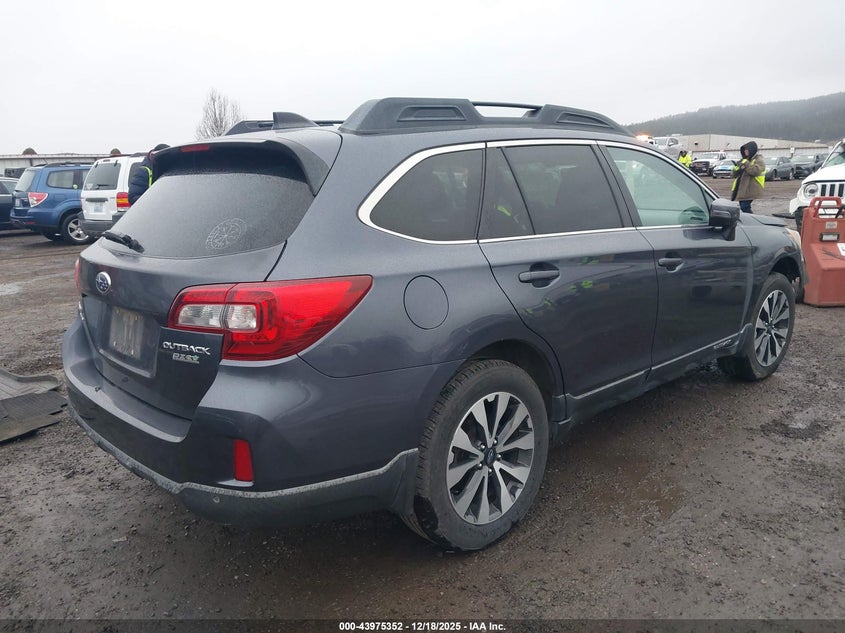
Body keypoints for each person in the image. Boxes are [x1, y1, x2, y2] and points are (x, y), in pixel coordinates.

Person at [731, 141, 766, 213]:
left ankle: (752, 219)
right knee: (743, 207)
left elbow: (755, 171)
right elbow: (734, 175)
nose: (745, 151)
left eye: (747, 150)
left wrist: (746, 163)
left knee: (745, 207)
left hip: (751, 188)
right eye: (744, 150)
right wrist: (736, 169)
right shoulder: (744, 159)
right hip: (742, 188)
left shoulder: (759, 160)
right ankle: (748, 218)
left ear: (752, 150)